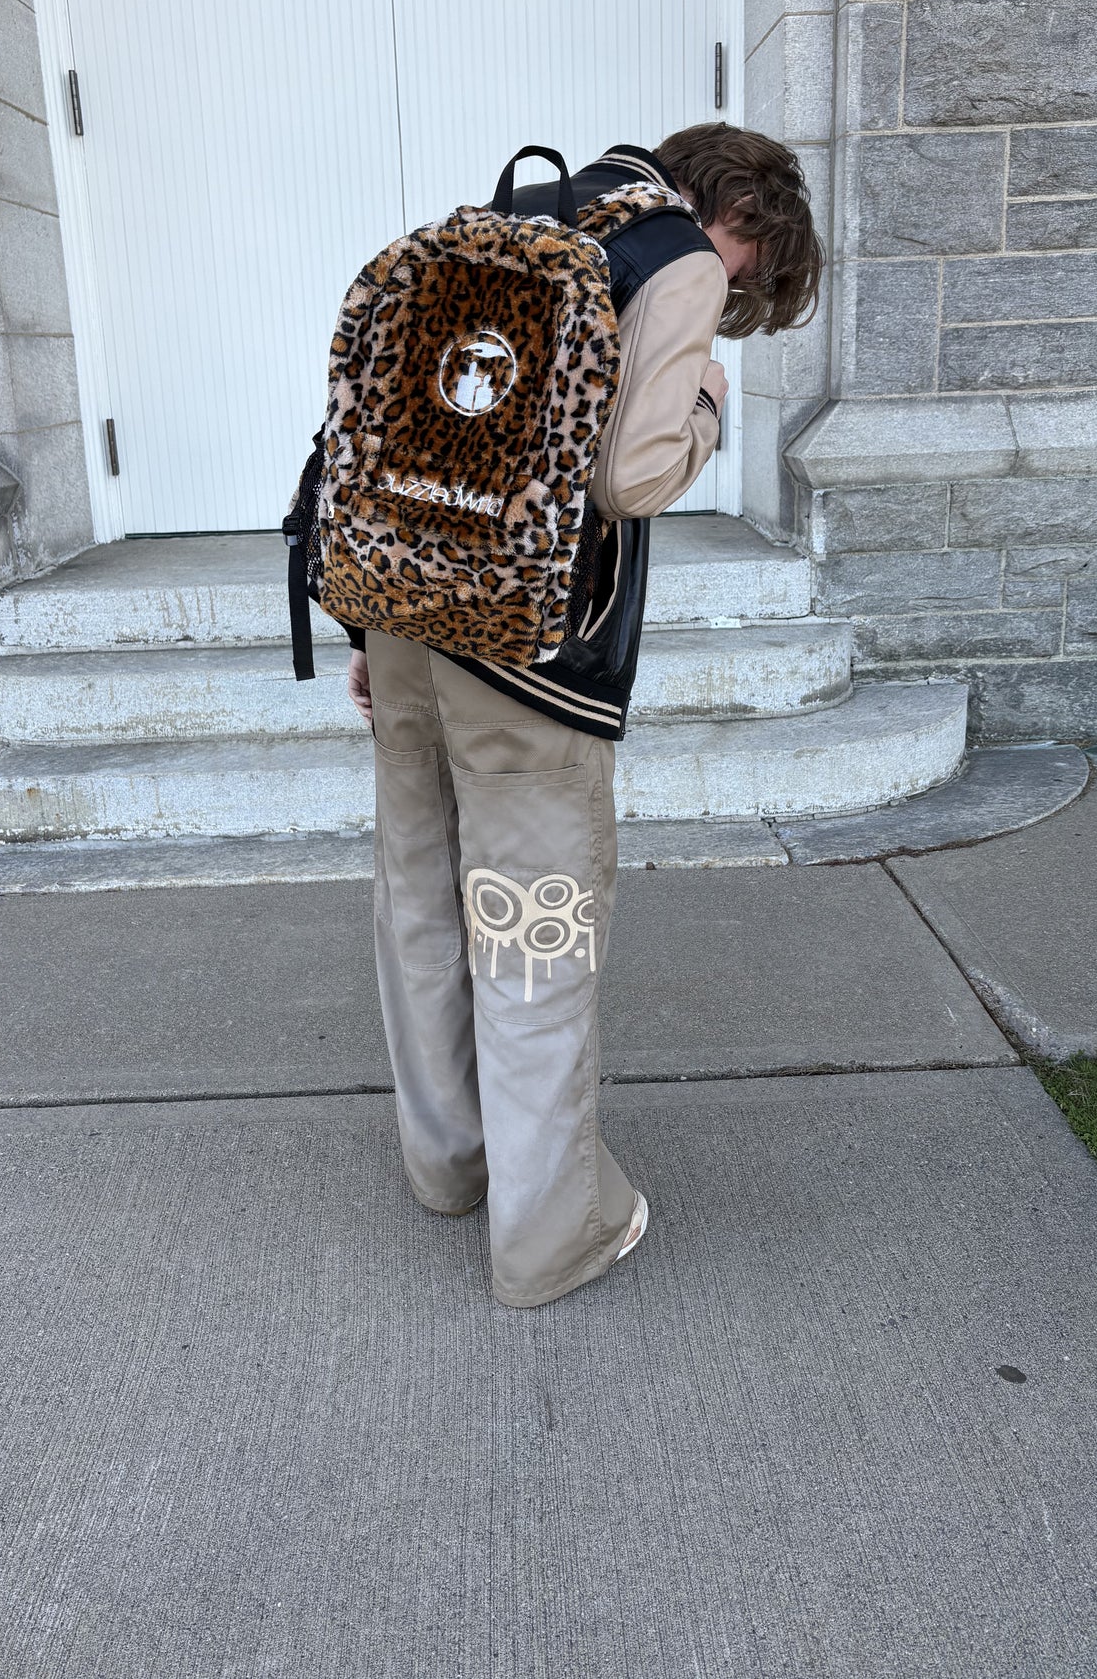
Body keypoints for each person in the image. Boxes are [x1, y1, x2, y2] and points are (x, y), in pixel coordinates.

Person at [345, 124, 824, 1308]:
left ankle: (451, 1166)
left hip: (404, 617)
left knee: (420, 894)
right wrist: (705, 399)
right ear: (743, 221)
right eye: (753, 276)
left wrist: (364, 628)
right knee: (533, 927)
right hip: (525, 659)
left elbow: (392, 431)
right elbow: (633, 474)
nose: (737, 294)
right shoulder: (676, 260)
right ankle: (548, 1235)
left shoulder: (523, 216)